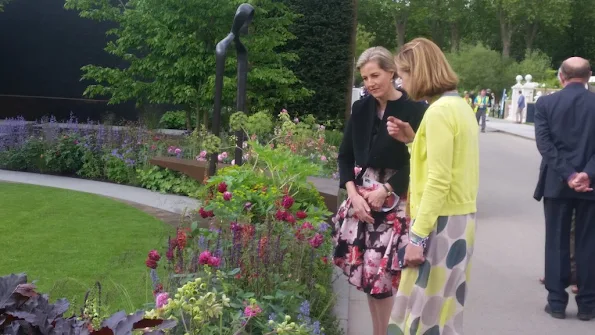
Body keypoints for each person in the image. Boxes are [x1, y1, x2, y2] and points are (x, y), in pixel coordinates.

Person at [386, 37, 479, 334]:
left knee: (419, 313)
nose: (401, 82)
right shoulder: (461, 106)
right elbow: (449, 165)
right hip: (460, 221)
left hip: (439, 222)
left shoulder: (438, 113)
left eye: (404, 74)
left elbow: (438, 180)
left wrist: (417, 237)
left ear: (420, 72)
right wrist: (414, 140)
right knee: (443, 311)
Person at [332, 46, 426, 335]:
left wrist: (387, 189)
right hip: (361, 201)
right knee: (370, 277)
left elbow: (423, 160)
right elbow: (345, 156)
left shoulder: (416, 109)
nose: (370, 83)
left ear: (392, 72)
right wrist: (352, 194)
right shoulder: (361, 108)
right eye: (365, 78)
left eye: (375, 75)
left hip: (398, 200)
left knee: (385, 277)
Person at [533, 57, 595, 321]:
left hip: (557, 184)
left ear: (561, 76)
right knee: (589, 244)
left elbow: (545, 145)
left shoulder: (545, 103)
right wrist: (586, 174)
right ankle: (588, 305)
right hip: (591, 186)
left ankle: (556, 303)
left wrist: (569, 175)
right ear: (589, 76)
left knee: (556, 243)